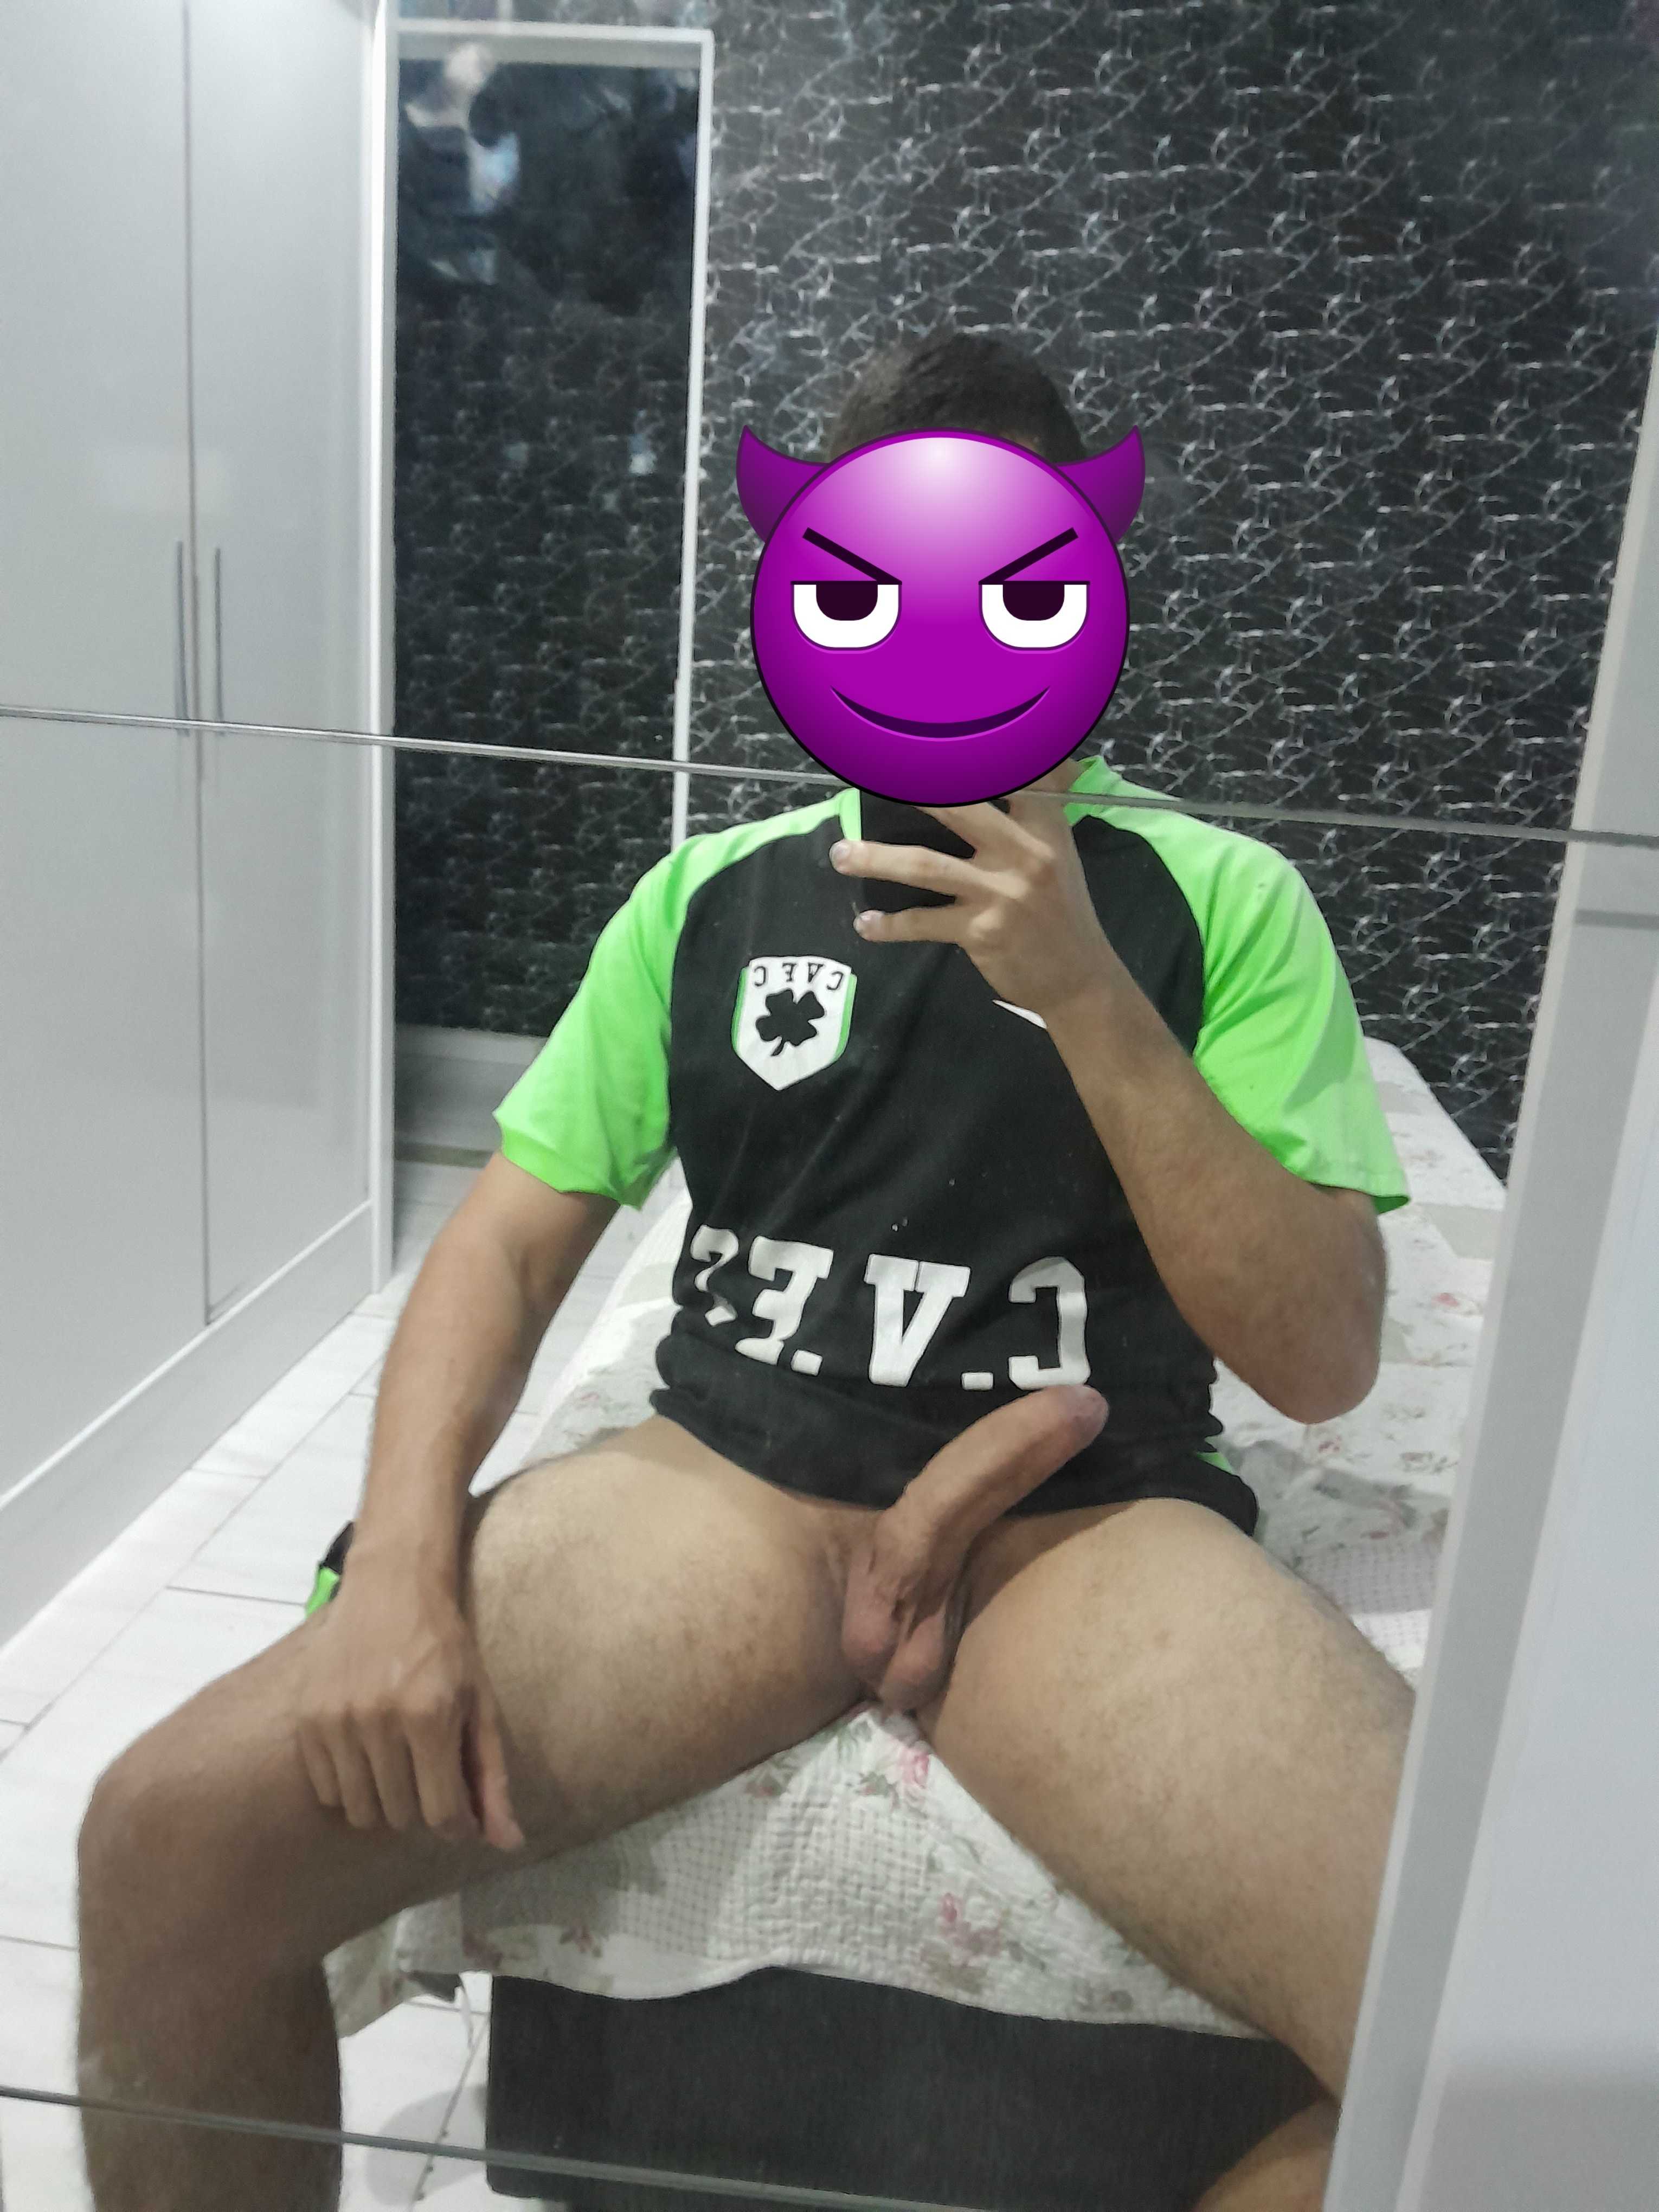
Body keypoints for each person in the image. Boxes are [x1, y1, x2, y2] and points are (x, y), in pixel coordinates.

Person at [75, 327, 1413, 2212]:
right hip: (722, 1492)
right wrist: (395, 1569)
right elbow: (504, 1244)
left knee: (1483, 2019)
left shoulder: (1224, 900)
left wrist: (1091, 1001)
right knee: (162, 1845)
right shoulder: (708, 895)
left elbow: (1321, 1358)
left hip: (1082, 1526)